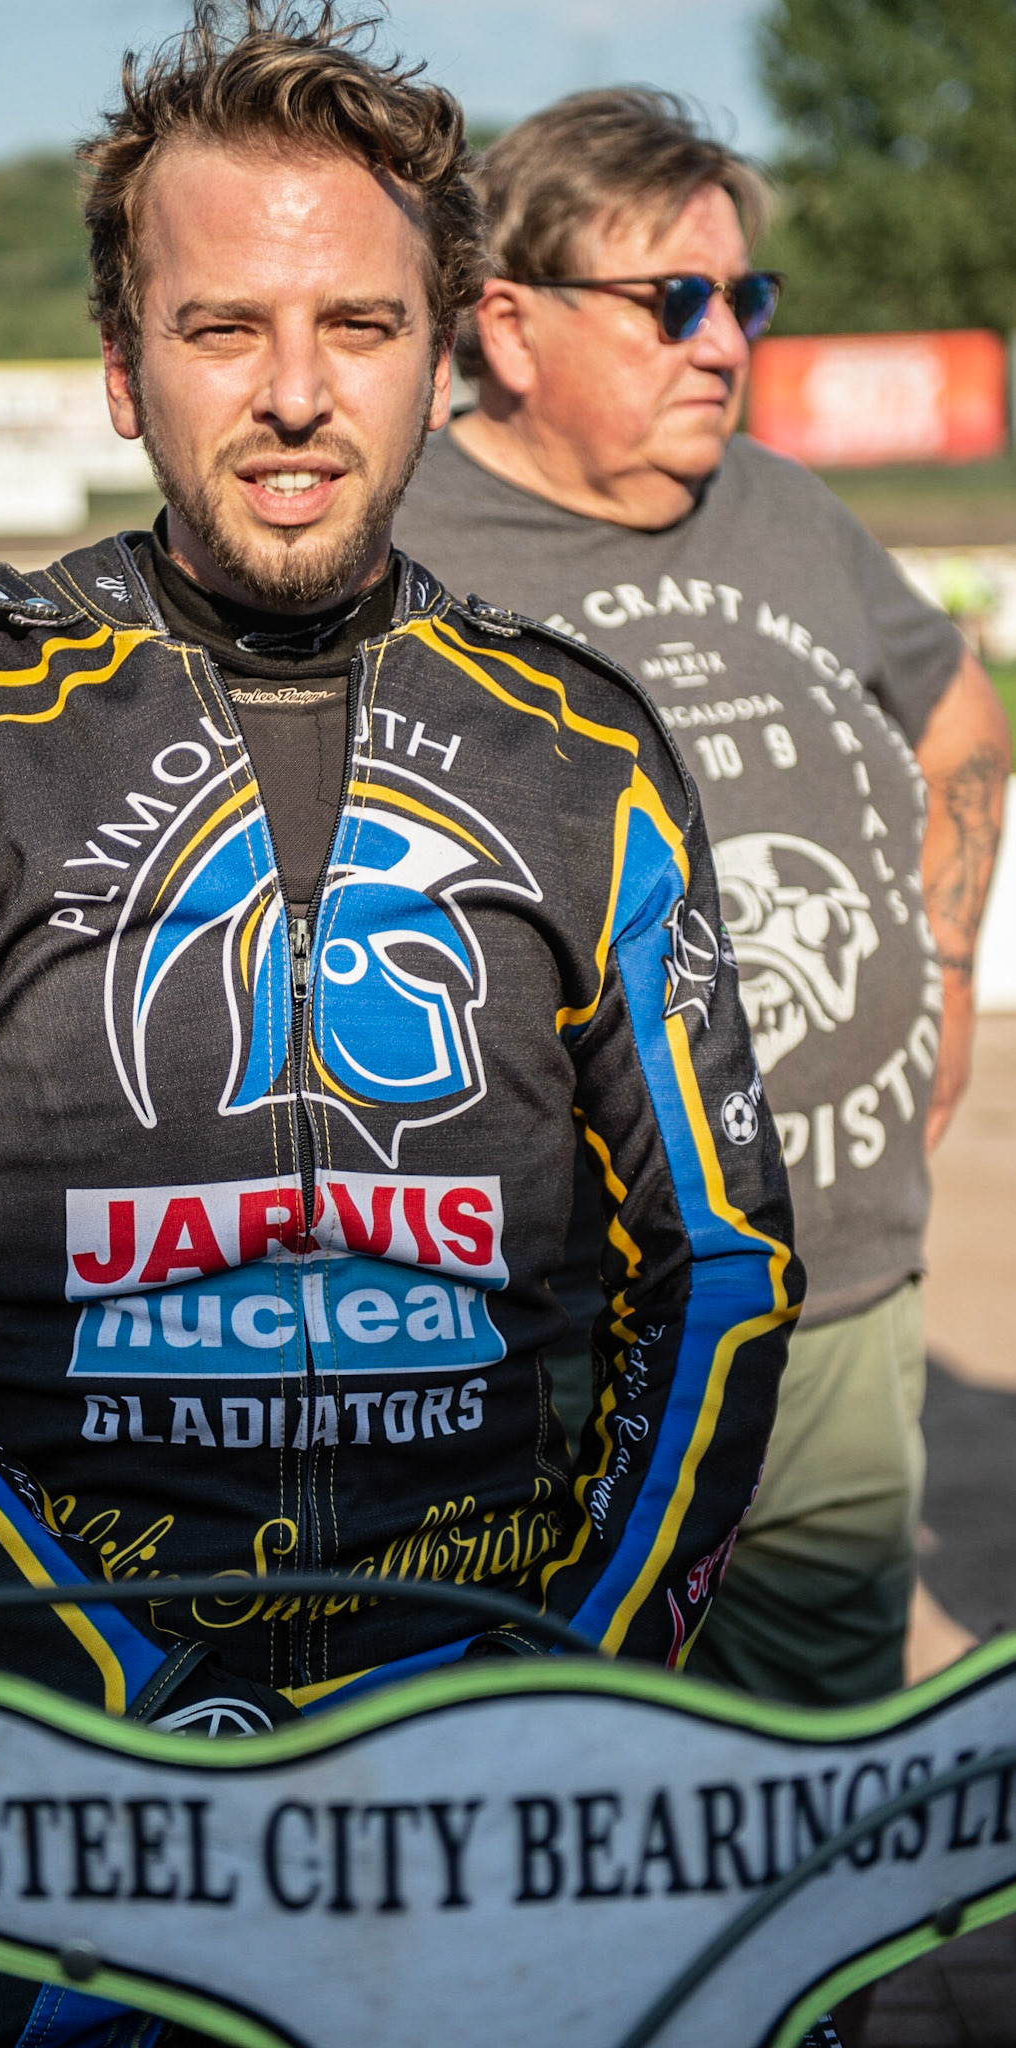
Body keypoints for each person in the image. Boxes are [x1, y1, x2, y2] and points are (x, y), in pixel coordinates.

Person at [0, 23, 800, 2047]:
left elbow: (728, 1272)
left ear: (441, 356)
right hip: (41, 1726)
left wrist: (572, 1676)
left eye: (357, 323)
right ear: (125, 366)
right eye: (224, 326)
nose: (297, 390)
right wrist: (97, 1685)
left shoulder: (586, 748)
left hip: (490, 1712)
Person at [397, 89, 1010, 1714]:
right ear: (508, 326)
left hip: (833, 1288)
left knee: (817, 1794)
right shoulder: (395, 553)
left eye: (744, 299)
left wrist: (940, 962)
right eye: (670, 300)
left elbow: (956, 714)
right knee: (542, 1767)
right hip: (541, 1337)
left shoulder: (787, 509)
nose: (722, 342)